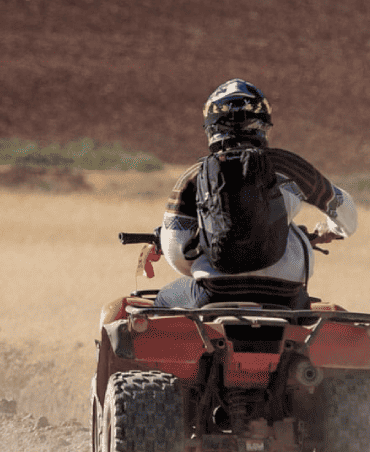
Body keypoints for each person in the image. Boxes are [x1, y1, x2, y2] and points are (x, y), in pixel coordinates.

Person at [153, 79, 357, 308]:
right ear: (263, 123)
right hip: (285, 294)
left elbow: (175, 251)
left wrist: (207, 260)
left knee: (161, 301)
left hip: (215, 292)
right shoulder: (289, 166)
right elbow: (345, 212)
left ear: (211, 126)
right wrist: (330, 229)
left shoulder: (195, 175)